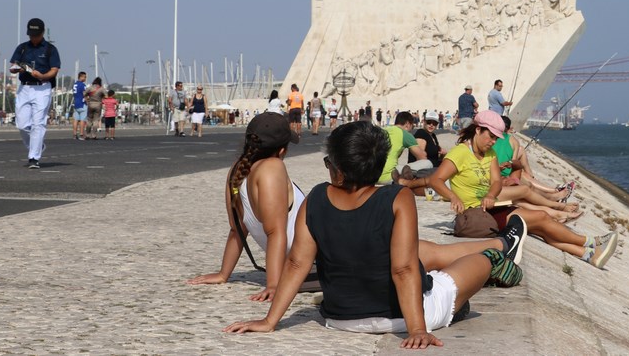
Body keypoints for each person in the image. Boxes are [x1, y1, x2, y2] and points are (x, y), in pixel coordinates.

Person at [223, 120, 527, 345]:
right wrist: (417, 329)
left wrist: (270, 320)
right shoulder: (398, 198)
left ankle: (462, 289)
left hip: (340, 319)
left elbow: (296, 264)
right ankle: (499, 260)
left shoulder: (315, 198)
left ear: (338, 169)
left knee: (427, 263)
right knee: (480, 262)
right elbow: (403, 270)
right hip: (402, 317)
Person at [401, 111, 617, 269]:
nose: (493, 141)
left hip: (493, 207)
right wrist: (453, 197)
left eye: (496, 138)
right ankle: (591, 243)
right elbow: (436, 180)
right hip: (476, 214)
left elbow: (496, 181)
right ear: (478, 130)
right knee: (541, 218)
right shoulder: (460, 153)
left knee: (541, 228)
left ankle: (588, 255)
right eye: (490, 136)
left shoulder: (490, 154)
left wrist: (491, 194)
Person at [188, 112, 304, 301]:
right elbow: (276, 232)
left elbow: (237, 229)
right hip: (311, 262)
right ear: (282, 150)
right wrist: (274, 285)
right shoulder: (273, 167)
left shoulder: (237, 170)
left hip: (291, 263)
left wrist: (223, 274)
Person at [9, 18, 61, 169]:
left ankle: (34, 157)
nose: (33, 38)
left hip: (42, 88)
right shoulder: (22, 48)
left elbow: (54, 69)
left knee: (38, 123)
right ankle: (37, 146)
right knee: (22, 124)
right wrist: (18, 68)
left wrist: (43, 76)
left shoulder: (50, 49)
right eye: (31, 35)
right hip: (25, 87)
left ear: (42, 33)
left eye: (36, 35)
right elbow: (13, 65)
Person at [379, 111, 428, 185]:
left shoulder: (383, 130)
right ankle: (404, 181)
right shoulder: (404, 134)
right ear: (407, 124)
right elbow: (422, 157)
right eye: (412, 126)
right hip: (388, 176)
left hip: (373, 175)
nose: (411, 130)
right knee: (428, 163)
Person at [407, 110, 446, 177]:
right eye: (429, 122)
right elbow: (420, 158)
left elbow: (435, 156)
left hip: (430, 168)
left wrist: (442, 154)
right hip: (421, 172)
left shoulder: (433, 135)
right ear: (424, 122)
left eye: (434, 123)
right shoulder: (421, 134)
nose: (431, 125)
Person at [71, 71, 87, 139]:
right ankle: (81, 134)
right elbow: (85, 94)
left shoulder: (75, 84)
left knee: (75, 120)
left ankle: (74, 134)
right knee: (82, 120)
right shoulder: (82, 85)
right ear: (81, 77)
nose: (85, 78)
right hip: (82, 104)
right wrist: (87, 100)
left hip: (76, 103)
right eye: (84, 77)